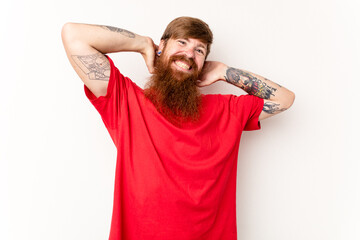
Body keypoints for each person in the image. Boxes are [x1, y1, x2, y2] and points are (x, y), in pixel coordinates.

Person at [61, 16, 295, 240]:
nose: (189, 54)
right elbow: (73, 35)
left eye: (199, 50)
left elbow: (284, 99)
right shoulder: (126, 101)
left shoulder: (226, 109)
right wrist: (142, 44)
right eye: (182, 42)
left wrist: (225, 72)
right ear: (162, 46)